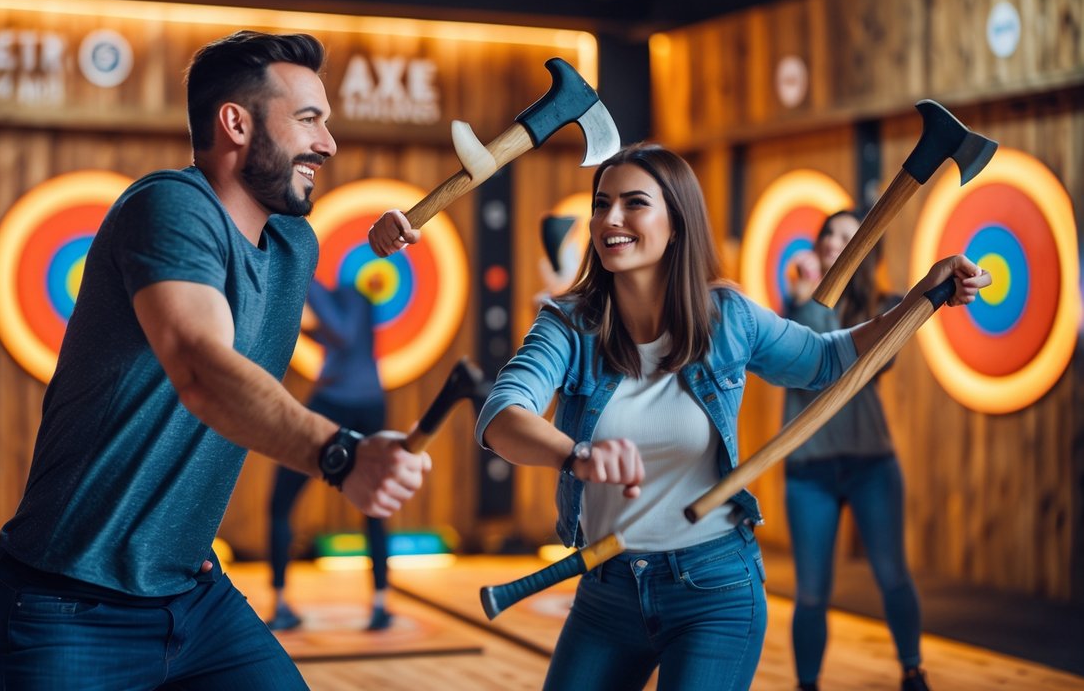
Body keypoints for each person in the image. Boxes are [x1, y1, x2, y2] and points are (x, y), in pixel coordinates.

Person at [370, 143, 989, 691]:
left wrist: (921, 298)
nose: (610, 218)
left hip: (715, 589)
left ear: (676, 223)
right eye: (601, 202)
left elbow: (826, 360)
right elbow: (503, 415)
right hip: (607, 589)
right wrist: (575, 455)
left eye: (634, 203)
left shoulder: (729, 317)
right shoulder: (568, 323)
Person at [0, 31, 431, 690]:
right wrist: (340, 453)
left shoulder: (293, 245)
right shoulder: (168, 205)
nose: (328, 143)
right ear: (235, 123)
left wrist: (380, 233)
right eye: (308, 120)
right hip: (67, 603)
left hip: (192, 597)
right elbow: (199, 365)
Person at [783, 210, 930, 691]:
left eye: (847, 236)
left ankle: (913, 671)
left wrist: (814, 299)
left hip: (871, 463)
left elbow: (860, 362)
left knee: (892, 574)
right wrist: (805, 297)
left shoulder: (882, 307)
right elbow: (802, 359)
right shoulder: (794, 307)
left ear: (865, 248)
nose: (832, 241)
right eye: (828, 233)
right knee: (810, 592)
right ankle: (807, 684)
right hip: (809, 471)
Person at [268, 280, 394, 632]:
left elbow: (340, 335)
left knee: (280, 505)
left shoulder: (321, 285)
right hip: (372, 403)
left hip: (337, 403)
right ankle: (381, 603)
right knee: (376, 505)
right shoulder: (359, 297)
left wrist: (304, 283)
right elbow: (338, 336)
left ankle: (280, 604)